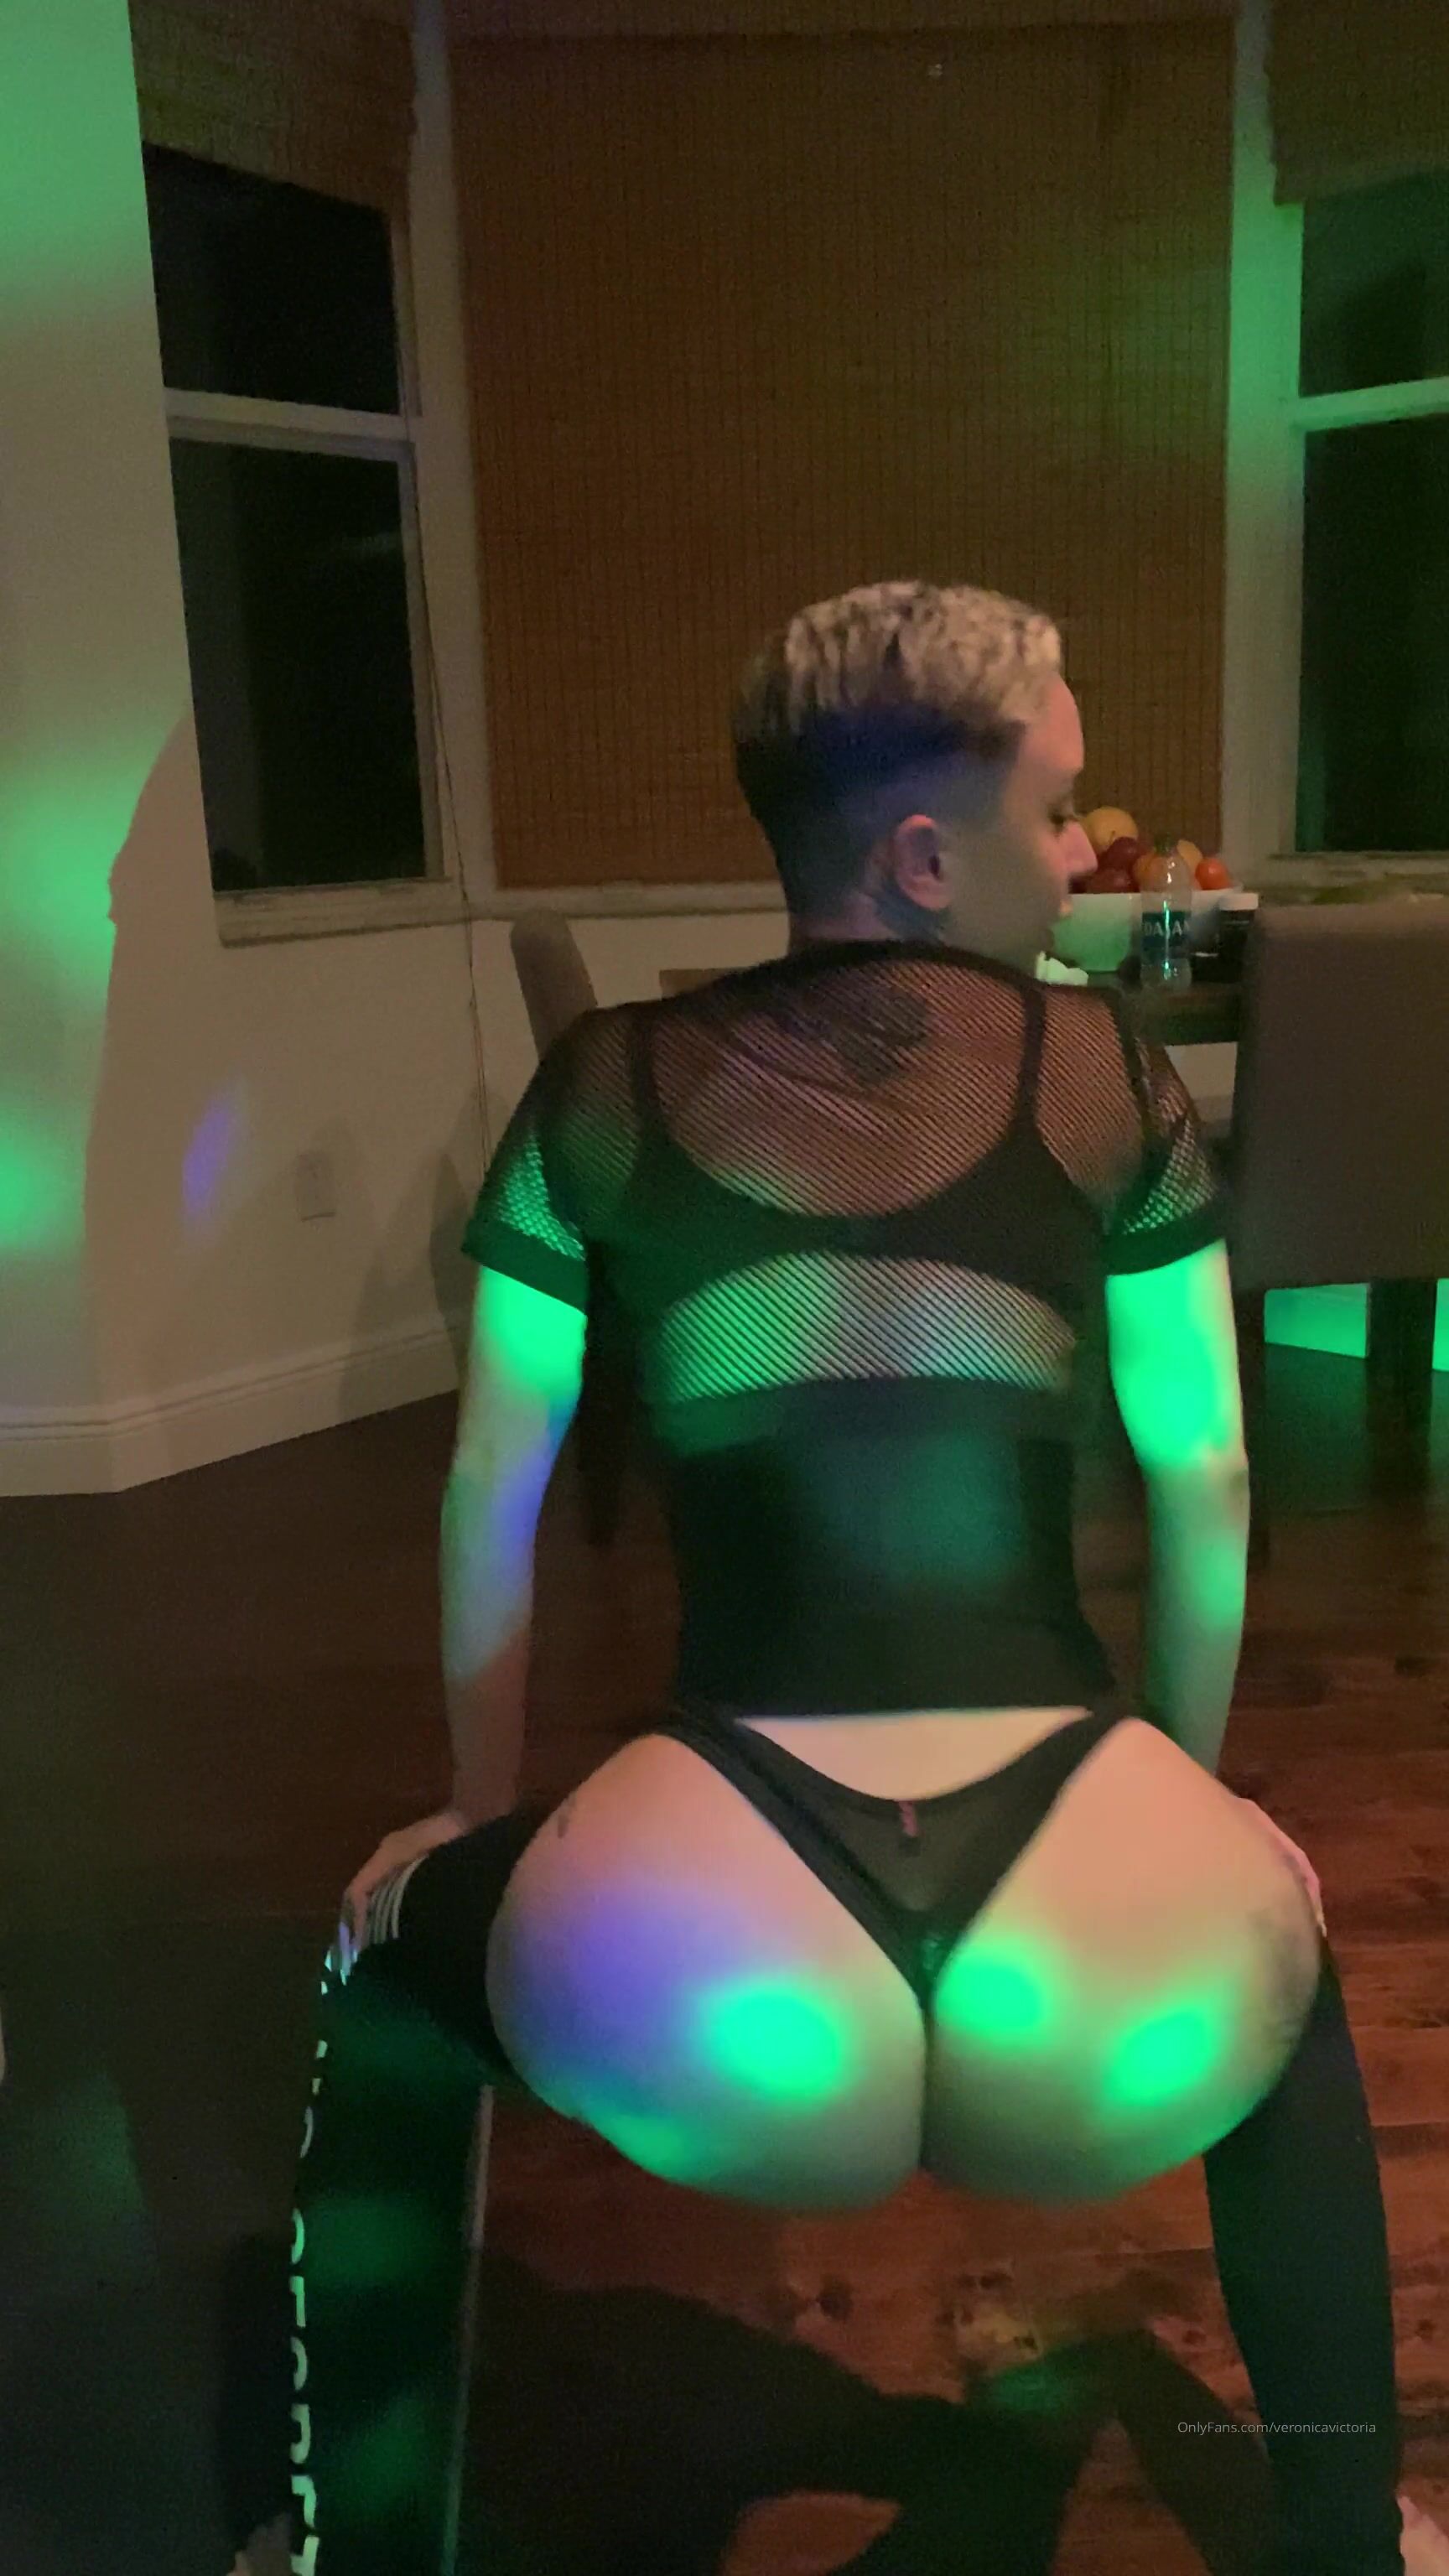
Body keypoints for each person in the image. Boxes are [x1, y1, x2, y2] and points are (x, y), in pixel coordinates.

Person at [291, 581, 1437, 2576]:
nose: (1081, 858)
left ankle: (349, 2556)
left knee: (389, 1956)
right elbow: (1209, 1471)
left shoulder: (602, 1085)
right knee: (1280, 1981)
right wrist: (1180, 1793)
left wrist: (473, 1811)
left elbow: (496, 1482)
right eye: (1056, 811)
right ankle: (1357, 2539)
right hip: (1091, 1982)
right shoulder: (1110, 1074)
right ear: (921, 854)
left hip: (725, 1980)